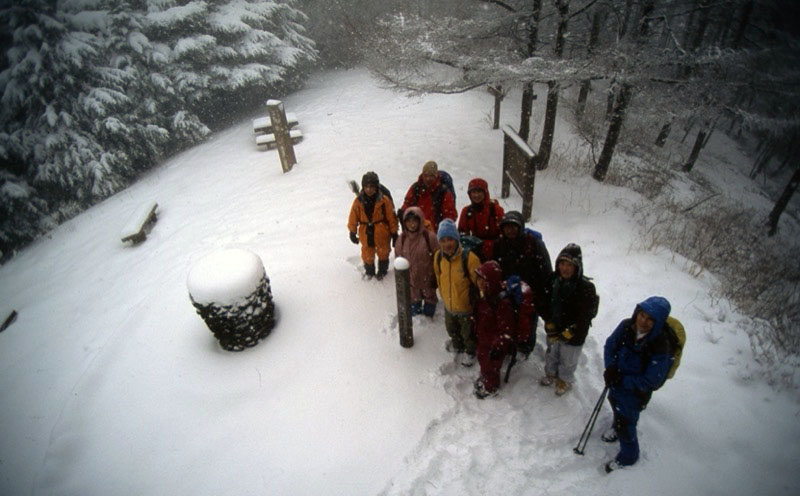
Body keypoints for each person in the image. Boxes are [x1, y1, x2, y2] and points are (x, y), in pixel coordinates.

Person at [602, 296, 672, 473]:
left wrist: (622, 380)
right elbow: (610, 346)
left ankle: (629, 456)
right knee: (614, 404)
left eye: (650, 319)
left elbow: (651, 380)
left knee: (626, 423)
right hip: (616, 383)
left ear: (657, 323)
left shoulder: (660, 345)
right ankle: (616, 428)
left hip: (635, 393)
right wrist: (610, 366)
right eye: (642, 315)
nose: (643, 321)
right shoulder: (626, 326)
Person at [539, 243, 598, 396]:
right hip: (554, 327)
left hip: (574, 333)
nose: (564, 268)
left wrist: (573, 330)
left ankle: (564, 379)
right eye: (562, 264)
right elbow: (543, 302)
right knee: (552, 353)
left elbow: (587, 314)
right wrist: (549, 322)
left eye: (569, 265)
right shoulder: (552, 280)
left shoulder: (586, 288)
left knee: (568, 358)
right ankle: (551, 373)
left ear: (577, 267)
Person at [491, 211, 552, 357]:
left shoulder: (533, 244)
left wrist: (541, 293)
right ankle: (511, 342)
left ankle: (525, 346)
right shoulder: (499, 244)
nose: (510, 231)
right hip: (508, 290)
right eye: (507, 227)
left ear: (521, 227)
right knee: (509, 319)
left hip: (531, 292)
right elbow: (495, 267)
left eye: (514, 227)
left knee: (528, 320)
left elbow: (545, 270)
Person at [472, 261, 535, 399]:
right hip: (484, 339)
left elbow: (506, 330)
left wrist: (498, 347)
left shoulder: (501, 303)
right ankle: (486, 377)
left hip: (494, 344)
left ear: (492, 281)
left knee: (491, 367)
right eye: (478, 279)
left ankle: (490, 387)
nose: (480, 283)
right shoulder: (483, 296)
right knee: (484, 362)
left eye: (484, 280)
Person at [433, 219, 481, 367]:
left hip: (466, 308)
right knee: (451, 329)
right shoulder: (438, 257)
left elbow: (479, 283)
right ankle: (458, 345)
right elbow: (438, 276)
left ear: (457, 239)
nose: (447, 244)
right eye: (443, 240)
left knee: (469, 335)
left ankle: (470, 352)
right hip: (449, 305)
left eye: (451, 240)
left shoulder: (469, 258)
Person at [347, 171, 398, 280]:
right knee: (367, 253)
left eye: (371, 186)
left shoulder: (384, 201)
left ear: (376, 187)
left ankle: (382, 271)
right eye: (366, 186)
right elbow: (353, 216)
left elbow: (391, 218)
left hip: (382, 231)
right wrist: (352, 231)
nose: (369, 189)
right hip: (365, 232)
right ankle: (369, 271)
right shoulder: (359, 201)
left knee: (384, 252)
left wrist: (394, 233)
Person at [395, 207, 439, 317]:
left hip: (428, 281)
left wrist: (436, 277)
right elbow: (398, 260)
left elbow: (438, 258)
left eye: (414, 220)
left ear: (420, 221)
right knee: (415, 311)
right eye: (409, 221)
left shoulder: (429, 237)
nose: (412, 224)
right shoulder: (402, 239)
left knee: (429, 312)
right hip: (411, 283)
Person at [399, 160, 457, 231]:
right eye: (426, 175)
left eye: (431, 176)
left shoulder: (443, 192)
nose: (428, 179)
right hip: (416, 231)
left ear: (436, 176)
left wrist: (443, 230)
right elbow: (407, 205)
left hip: (436, 232)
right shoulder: (416, 188)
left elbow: (450, 214)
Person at [457, 177, 505, 261]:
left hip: (496, 251)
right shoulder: (466, 211)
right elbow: (462, 233)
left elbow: (503, 232)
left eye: (479, 191)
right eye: (474, 192)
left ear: (485, 193)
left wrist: (492, 245)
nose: (476, 195)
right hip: (475, 250)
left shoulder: (496, 210)